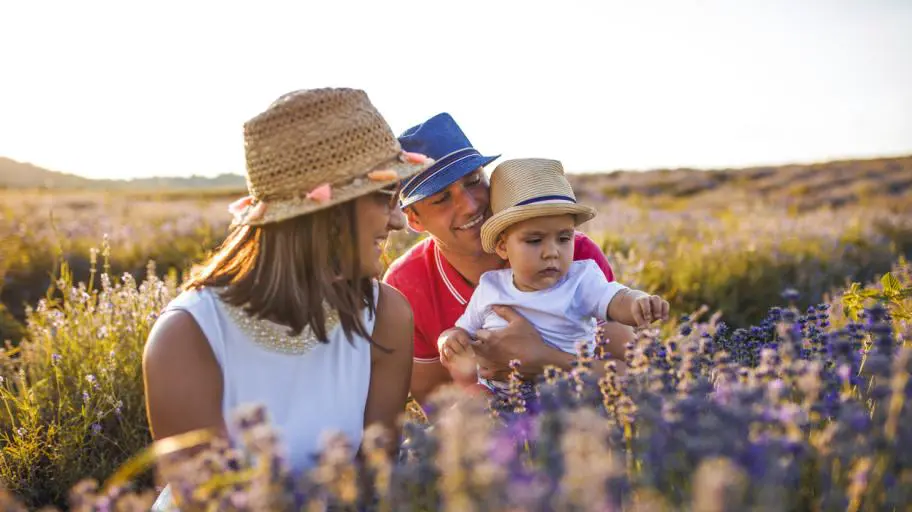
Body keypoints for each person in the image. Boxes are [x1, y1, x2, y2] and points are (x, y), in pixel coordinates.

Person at [142, 88, 432, 508]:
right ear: (327, 213)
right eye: (385, 195)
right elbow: (207, 503)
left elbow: (374, 482)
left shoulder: (385, 314)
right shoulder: (188, 336)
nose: (399, 218)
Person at [382, 113, 636, 409]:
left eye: (474, 181)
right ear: (413, 219)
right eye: (441, 199)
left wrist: (544, 358)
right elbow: (439, 411)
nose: (470, 204)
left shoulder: (570, 253)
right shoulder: (406, 284)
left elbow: (630, 376)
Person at [437, 158, 670, 399]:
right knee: (465, 408)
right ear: (503, 246)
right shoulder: (491, 286)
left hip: (568, 390)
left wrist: (638, 303)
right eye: (535, 240)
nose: (552, 252)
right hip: (501, 397)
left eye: (564, 238)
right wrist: (449, 339)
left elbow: (616, 299)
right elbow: (462, 329)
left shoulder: (580, 279)